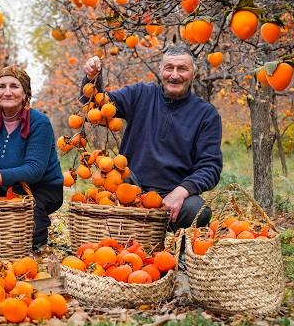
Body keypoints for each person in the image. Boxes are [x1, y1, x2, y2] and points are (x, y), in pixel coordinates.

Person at [80, 44, 222, 232]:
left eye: (182, 69)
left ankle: (180, 255)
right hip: (132, 186)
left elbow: (210, 166)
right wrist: (92, 78)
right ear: (161, 70)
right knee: (107, 193)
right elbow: (98, 107)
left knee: (197, 211)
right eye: (169, 67)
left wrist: (181, 192)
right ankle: (120, 243)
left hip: (173, 193)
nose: (174, 75)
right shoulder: (141, 94)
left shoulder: (206, 114)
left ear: (193, 74)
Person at [0, 65, 64, 250]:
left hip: (38, 188)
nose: (7, 92)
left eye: (14, 86)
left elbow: (34, 169)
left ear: (25, 92)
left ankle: (38, 232)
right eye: (1, 86)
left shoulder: (39, 122)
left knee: (25, 234)